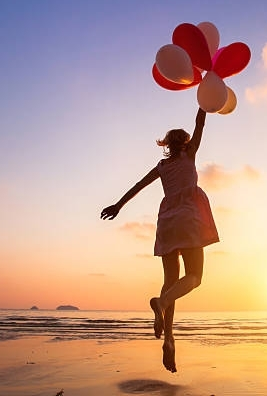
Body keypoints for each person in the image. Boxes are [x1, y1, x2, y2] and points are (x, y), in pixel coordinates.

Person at [100, 108, 219, 373]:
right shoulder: (190, 154)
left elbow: (139, 185)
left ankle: (169, 339)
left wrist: (118, 205)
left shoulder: (162, 166)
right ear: (186, 143)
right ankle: (161, 304)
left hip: (167, 220)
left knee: (170, 282)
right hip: (188, 218)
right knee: (195, 277)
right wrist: (203, 99)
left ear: (167, 145)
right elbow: (200, 122)